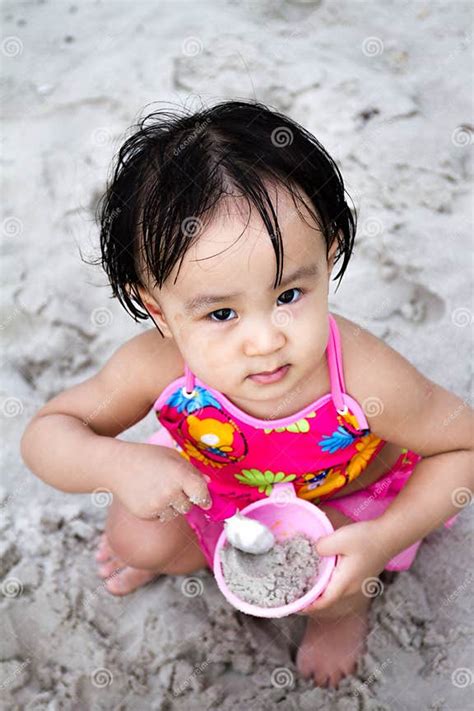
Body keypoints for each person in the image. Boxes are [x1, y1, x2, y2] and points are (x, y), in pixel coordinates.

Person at [20, 100, 473, 689]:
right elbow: (47, 433)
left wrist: (385, 538)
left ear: (328, 251)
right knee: (134, 536)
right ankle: (221, 559)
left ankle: (344, 612)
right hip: (221, 482)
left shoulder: (363, 376)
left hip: (339, 495)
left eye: (288, 295)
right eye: (222, 313)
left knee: (326, 575)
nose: (264, 340)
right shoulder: (155, 364)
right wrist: (114, 461)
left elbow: (462, 449)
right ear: (158, 309)